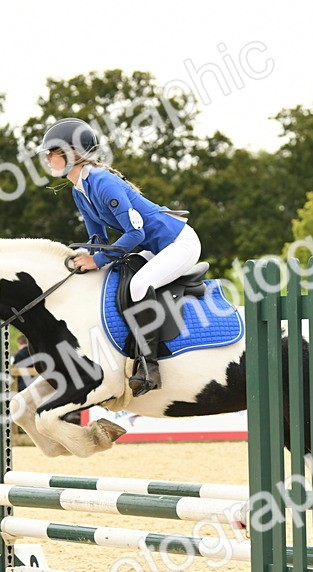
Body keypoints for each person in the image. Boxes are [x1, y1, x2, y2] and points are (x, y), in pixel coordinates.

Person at [39, 117, 199, 397]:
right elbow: (97, 240)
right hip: (155, 247)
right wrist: (81, 258)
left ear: (72, 154)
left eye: (53, 152)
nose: (48, 159)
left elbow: (135, 233)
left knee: (138, 285)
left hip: (178, 243)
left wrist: (97, 260)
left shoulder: (102, 182)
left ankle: (149, 366)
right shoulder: (80, 189)